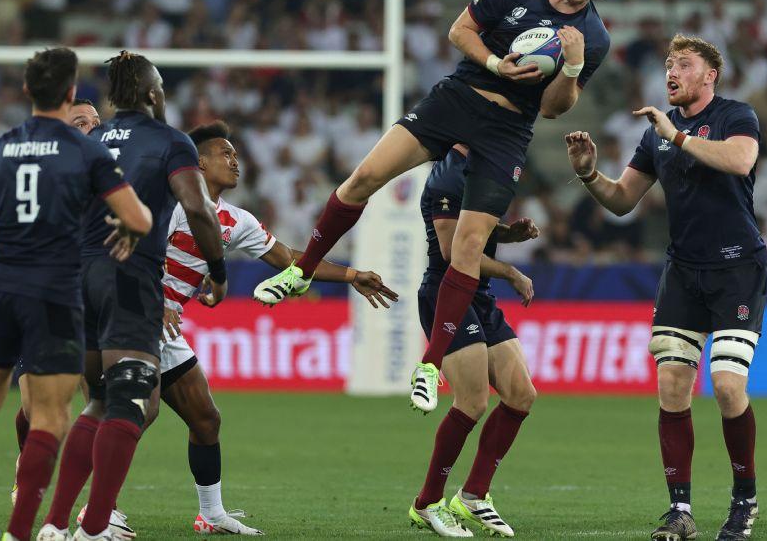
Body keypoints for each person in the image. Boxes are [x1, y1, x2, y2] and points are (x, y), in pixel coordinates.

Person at [254, 0, 620, 414]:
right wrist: (493, 63)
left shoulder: (594, 38)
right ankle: (302, 273)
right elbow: (459, 31)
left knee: (467, 247)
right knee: (364, 177)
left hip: (509, 129)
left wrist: (570, 65)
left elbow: (553, 110)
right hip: (459, 96)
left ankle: (428, 364)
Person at [152, 120, 398, 535]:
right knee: (130, 414)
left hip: (166, 332)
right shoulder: (169, 203)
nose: (235, 161)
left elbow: (289, 258)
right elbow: (128, 252)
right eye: (225, 154)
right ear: (198, 161)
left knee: (206, 419)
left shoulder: (235, 219)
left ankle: (210, 515)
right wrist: (156, 300)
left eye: (236, 154)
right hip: (132, 313)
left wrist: (352, 274)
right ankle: (93, 507)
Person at [566, 34, 766, 541]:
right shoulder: (655, 134)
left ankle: (745, 500)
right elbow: (621, 201)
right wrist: (590, 175)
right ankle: (680, 511)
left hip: (737, 267)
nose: (671, 72)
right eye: (668, 64)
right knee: (672, 384)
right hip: (683, 271)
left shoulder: (735, 115)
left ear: (710, 75)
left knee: (725, 386)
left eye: (684, 64)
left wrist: (675, 136)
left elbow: (741, 161)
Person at [0, 48, 152, 541]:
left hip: (3, 294)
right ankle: (21, 532)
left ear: (27, 92)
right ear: (68, 93)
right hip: (55, 293)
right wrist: (131, 230)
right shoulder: (87, 153)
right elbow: (138, 219)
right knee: (52, 416)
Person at [39, 51, 227, 541]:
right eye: (160, 86)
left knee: (100, 401)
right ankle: (96, 525)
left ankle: (58, 523)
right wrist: (220, 271)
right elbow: (199, 209)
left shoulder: (91, 139)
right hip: (128, 276)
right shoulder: (170, 141)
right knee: (132, 399)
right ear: (149, 93)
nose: (163, 94)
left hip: (78, 280)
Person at [0, 98, 105, 507]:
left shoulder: (110, 178)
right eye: (81, 122)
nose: (91, 129)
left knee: (98, 402)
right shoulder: (37, 173)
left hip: (89, 307)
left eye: (97, 123)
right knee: (36, 408)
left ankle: (100, 506)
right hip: (36, 302)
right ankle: (27, 471)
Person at [407, 145, 538, 538]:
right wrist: (510, 271)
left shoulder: (484, 165)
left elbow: (474, 228)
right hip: (447, 293)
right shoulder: (450, 174)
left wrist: (506, 234)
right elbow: (453, 251)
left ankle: (473, 496)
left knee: (520, 394)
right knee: (474, 401)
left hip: (478, 297)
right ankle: (426, 503)